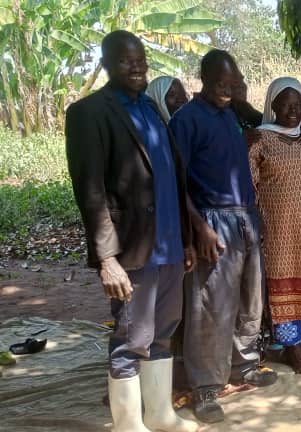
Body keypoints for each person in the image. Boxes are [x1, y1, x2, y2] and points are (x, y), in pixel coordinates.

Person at [65, 30, 198, 432]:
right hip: (133, 250)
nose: (137, 66)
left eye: (141, 59)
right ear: (106, 65)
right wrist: (106, 259)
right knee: (130, 338)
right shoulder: (89, 112)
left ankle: (160, 416)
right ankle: (128, 424)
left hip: (170, 246)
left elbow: (173, 181)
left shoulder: (152, 109)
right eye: (126, 60)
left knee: (163, 332)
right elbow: (90, 191)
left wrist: (187, 240)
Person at [170, 49, 277, 424]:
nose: (227, 90)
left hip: (245, 217)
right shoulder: (186, 120)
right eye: (220, 84)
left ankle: (242, 365)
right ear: (204, 78)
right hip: (212, 220)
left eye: (232, 84)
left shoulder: (232, 112)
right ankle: (204, 387)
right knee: (210, 305)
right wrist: (198, 227)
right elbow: (175, 181)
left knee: (250, 299)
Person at [248, 77, 301, 373]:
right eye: (286, 104)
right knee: (282, 283)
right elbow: (249, 188)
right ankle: (292, 350)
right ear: (272, 105)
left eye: (298, 105)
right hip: (278, 230)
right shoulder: (258, 139)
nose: (293, 110)